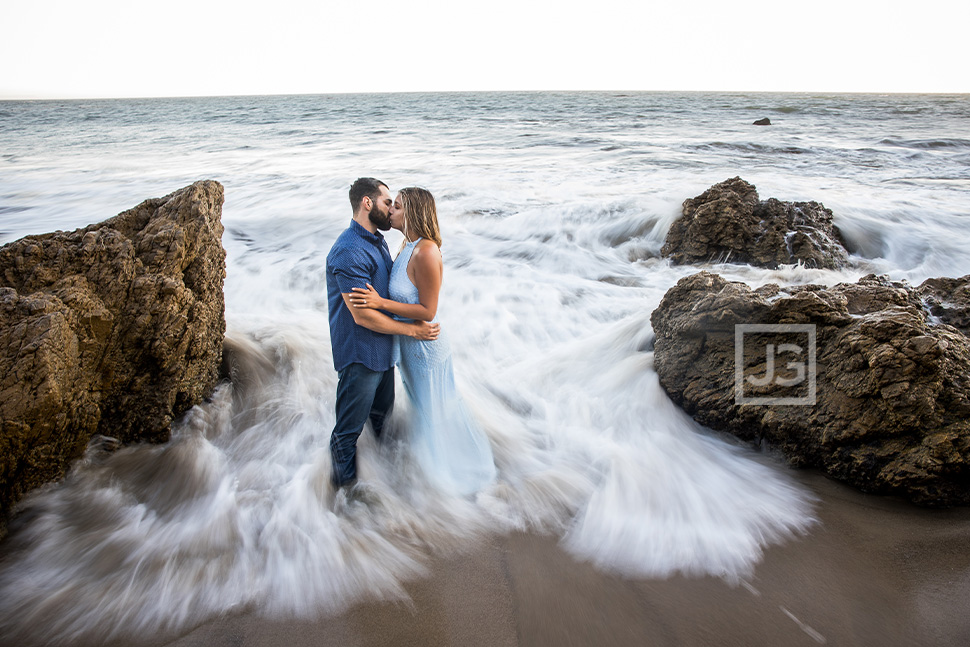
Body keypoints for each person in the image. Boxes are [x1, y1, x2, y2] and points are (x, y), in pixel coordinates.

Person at [349, 187, 496, 496]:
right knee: (423, 411)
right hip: (408, 347)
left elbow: (428, 311)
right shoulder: (407, 246)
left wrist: (379, 303)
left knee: (436, 412)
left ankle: (462, 478)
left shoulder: (427, 251)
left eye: (397, 207)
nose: (390, 211)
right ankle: (435, 475)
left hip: (425, 349)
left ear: (413, 212)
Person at [326, 178, 439, 491]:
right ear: (367, 203)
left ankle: (389, 483)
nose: (391, 210)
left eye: (395, 205)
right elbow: (363, 316)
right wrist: (413, 330)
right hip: (361, 356)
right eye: (387, 202)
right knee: (347, 433)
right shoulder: (348, 251)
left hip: (384, 354)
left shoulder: (377, 242)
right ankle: (344, 496)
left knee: (381, 422)